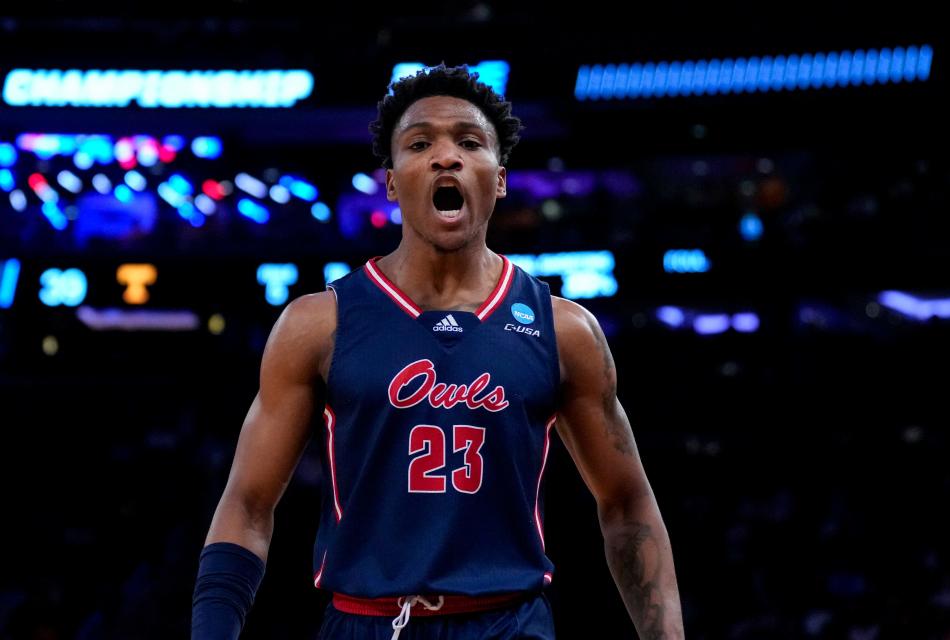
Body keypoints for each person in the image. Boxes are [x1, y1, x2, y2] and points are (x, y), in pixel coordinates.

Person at [191, 63, 685, 640]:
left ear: (498, 178)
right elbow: (247, 505)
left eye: (469, 142)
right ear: (393, 180)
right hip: (365, 621)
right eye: (420, 142)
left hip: (510, 621)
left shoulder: (565, 329)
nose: (446, 156)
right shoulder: (317, 323)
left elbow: (627, 504)